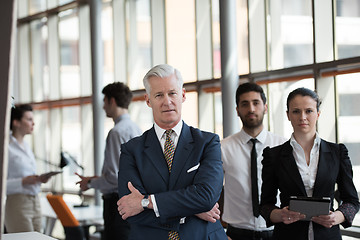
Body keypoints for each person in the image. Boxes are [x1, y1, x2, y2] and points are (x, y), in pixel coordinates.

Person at [116, 64, 227, 239]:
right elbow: (130, 209)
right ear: (148, 100)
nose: (167, 101)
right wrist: (192, 210)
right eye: (159, 95)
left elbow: (206, 197)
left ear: (182, 95)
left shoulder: (207, 143)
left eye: (172, 93)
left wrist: (146, 202)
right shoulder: (131, 150)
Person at [260, 87, 360, 240]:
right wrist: (280, 215)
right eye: (296, 111)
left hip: (328, 235)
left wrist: (337, 217)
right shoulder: (273, 156)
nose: (302, 117)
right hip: (288, 236)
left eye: (309, 111)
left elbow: (352, 201)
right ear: (288, 115)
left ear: (318, 114)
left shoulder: (337, 152)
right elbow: (265, 205)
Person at [76, 82, 142, 240]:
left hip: (117, 205)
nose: (103, 107)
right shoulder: (136, 129)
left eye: (104, 102)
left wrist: (90, 184)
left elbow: (114, 178)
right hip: (133, 203)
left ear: (112, 101)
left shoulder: (116, 132)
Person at [221, 82, 286, 240]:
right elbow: (208, 193)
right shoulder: (222, 148)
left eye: (256, 103)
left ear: (265, 107)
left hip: (277, 232)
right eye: (245, 104)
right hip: (236, 234)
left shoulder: (283, 146)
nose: (251, 109)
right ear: (237, 110)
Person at [5, 104, 52, 233]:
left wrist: (38, 179)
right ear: (16, 122)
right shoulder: (6, 147)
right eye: (29, 119)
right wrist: (23, 181)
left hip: (35, 201)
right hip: (18, 203)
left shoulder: (26, 146)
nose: (34, 123)